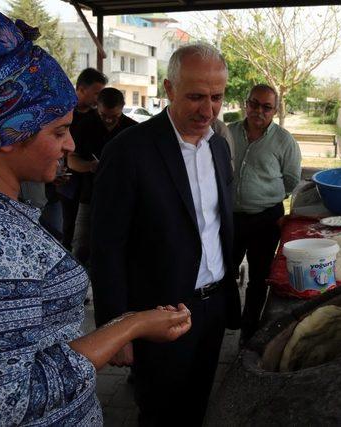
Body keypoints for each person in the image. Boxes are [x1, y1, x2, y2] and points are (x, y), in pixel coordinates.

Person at [0, 5, 191, 425]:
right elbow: (10, 403)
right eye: (57, 131)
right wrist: (129, 328)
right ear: (9, 133)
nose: (70, 144)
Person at [91, 43, 241, 426]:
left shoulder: (219, 148)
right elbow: (107, 246)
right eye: (195, 96)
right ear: (169, 89)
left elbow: (217, 224)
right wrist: (116, 329)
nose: (207, 110)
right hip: (158, 313)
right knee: (160, 412)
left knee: (197, 406)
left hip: (212, 308)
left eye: (216, 97)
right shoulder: (129, 150)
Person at [228, 84, 302, 342]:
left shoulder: (284, 141)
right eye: (254, 103)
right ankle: (230, 318)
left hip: (266, 219)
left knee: (259, 278)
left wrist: (268, 198)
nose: (259, 110)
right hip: (230, 217)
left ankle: (248, 332)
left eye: (266, 106)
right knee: (224, 271)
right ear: (246, 103)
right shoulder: (228, 133)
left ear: (275, 109)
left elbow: (292, 180)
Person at [67, 87, 136, 266]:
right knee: (81, 247)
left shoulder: (133, 129)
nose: (109, 120)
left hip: (124, 199)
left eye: (115, 116)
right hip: (90, 197)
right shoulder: (85, 125)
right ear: (97, 107)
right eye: (104, 115)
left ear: (123, 108)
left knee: (119, 249)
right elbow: (71, 161)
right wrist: (90, 166)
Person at [58, 68, 108, 251]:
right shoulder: (62, 112)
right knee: (68, 229)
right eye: (96, 93)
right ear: (80, 89)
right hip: (66, 182)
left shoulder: (98, 117)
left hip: (90, 185)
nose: (99, 98)